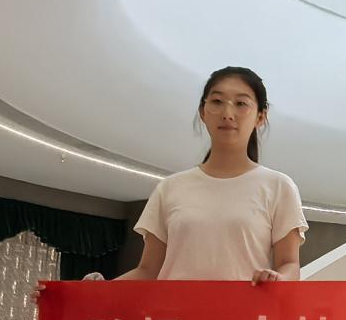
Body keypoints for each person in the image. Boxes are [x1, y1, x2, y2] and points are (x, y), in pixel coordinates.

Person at [104, 67, 308, 283]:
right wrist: (98, 291)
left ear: (260, 116)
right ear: (203, 112)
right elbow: (147, 271)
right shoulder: (170, 187)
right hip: (173, 305)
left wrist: (278, 280)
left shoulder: (278, 186)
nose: (227, 113)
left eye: (241, 103)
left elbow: (289, 265)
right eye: (217, 101)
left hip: (242, 306)